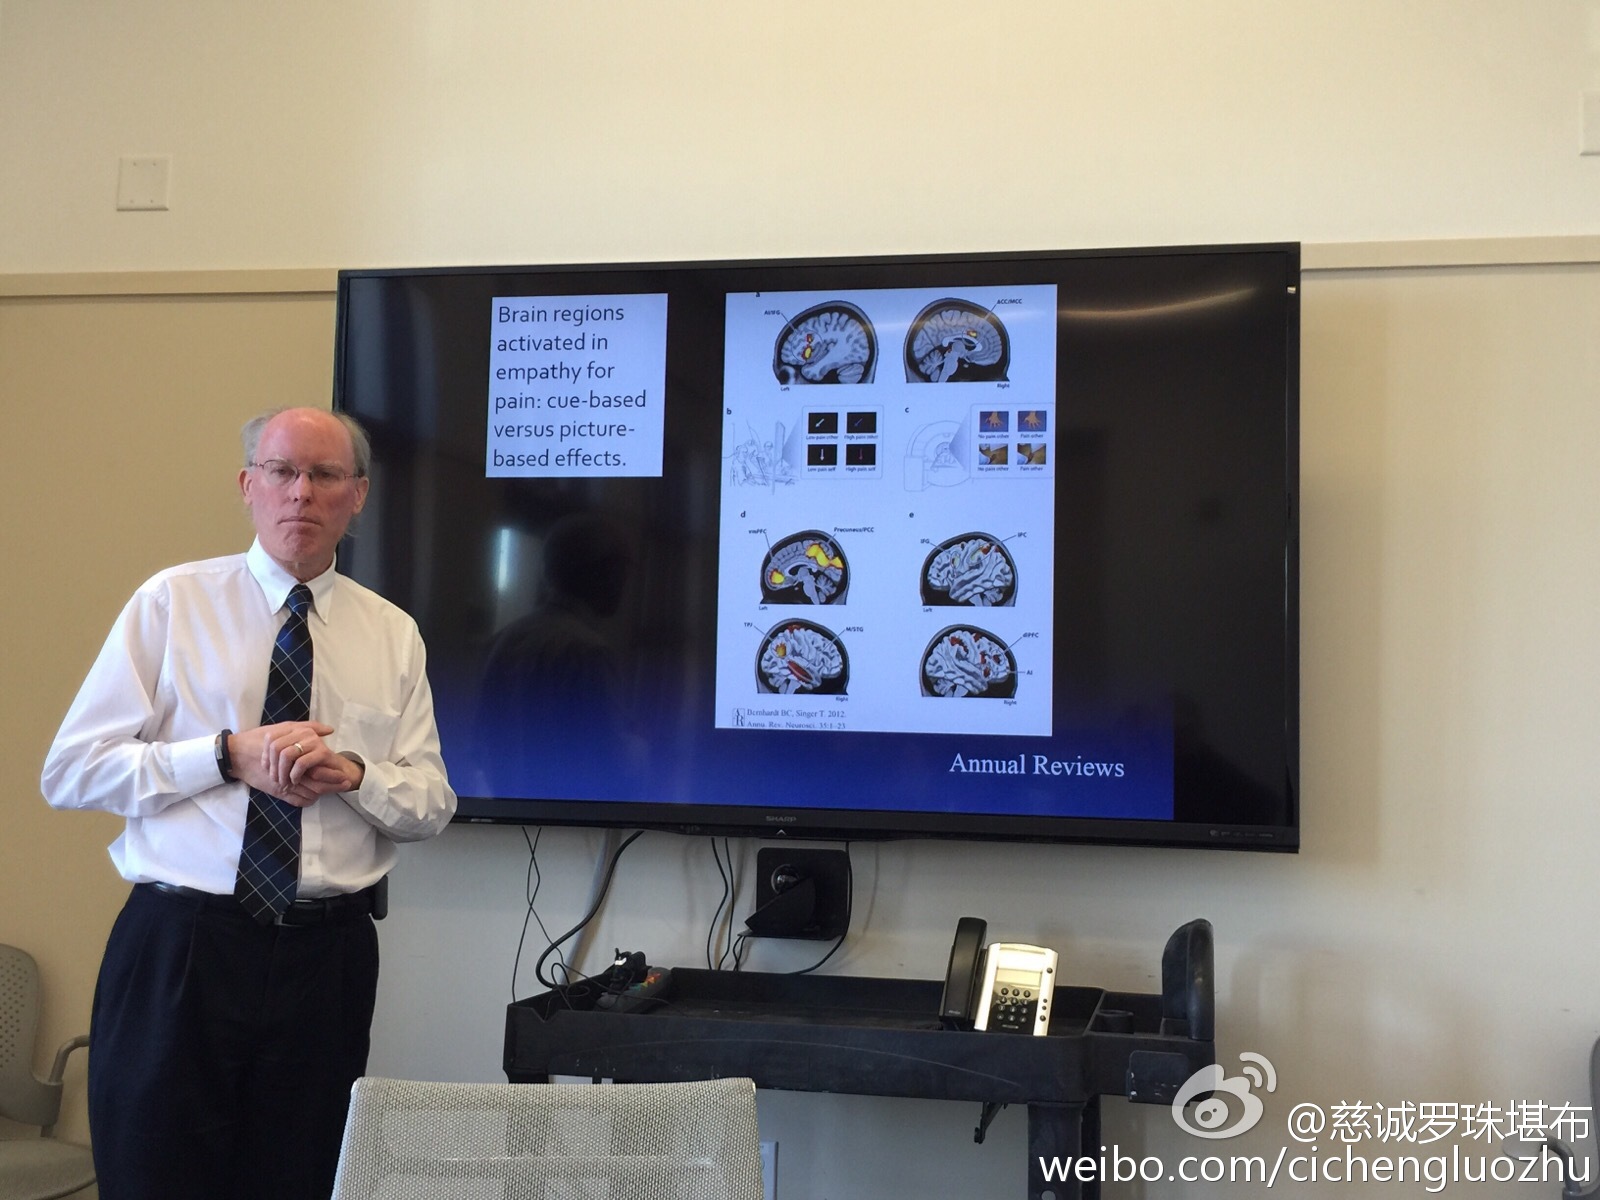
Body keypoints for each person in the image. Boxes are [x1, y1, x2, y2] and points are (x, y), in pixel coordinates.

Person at [41, 406, 456, 1200]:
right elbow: (72, 771)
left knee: (302, 1180)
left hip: (326, 960)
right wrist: (226, 756)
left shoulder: (392, 633)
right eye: (282, 471)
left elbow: (432, 803)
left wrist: (355, 775)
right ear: (248, 485)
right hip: (183, 947)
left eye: (325, 475)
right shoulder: (172, 603)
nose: (301, 492)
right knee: (153, 1178)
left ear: (357, 495)